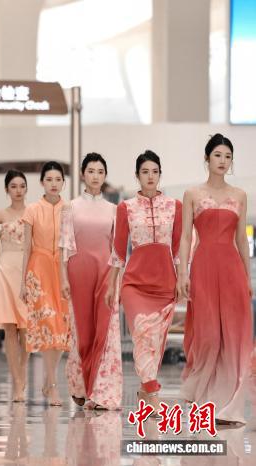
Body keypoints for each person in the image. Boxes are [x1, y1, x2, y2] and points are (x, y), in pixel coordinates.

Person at [178, 134, 253, 425]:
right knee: (208, 336)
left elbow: (242, 240)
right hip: (203, 267)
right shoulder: (192, 194)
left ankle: (228, 407)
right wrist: (182, 273)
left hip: (232, 269)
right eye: (218, 155)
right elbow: (186, 237)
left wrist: (247, 277)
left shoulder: (240, 195)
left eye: (228, 156)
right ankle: (204, 398)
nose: (223, 161)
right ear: (207, 158)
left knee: (233, 336)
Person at [105, 150, 182, 413]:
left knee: (155, 341)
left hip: (165, 283)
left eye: (155, 172)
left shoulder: (175, 206)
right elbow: (118, 251)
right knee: (142, 333)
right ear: (137, 175)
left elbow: (178, 250)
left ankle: (144, 389)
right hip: (135, 284)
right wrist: (112, 285)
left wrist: (182, 279)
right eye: (145, 172)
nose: (150, 176)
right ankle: (152, 390)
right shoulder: (125, 208)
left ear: (160, 174)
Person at [60, 153, 122, 410]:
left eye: (100, 172)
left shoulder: (113, 210)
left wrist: (116, 281)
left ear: (105, 176)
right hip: (78, 272)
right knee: (82, 332)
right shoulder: (70, 207)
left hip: (105, 273)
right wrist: (64, 279)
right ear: (83, 175)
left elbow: (117, 249)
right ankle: (81, 386)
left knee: (105, 331)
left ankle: (103, 391)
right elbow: (65, 246)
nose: (96, 176)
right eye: (91, 171)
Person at [20, 161, 70, 406]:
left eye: (58, 179)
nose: (53, 184)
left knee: (60, 329)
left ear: (63, 183)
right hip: (38, 270)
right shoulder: (32, 210)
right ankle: (53, 385)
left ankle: (49, 381)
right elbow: (25, 248)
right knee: (48, 325)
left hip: (62, 271)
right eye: (49, 179)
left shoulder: (69, 209)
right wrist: (22, 282)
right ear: (42, 182)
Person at [0, 170, 29, 402]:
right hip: (4, 271)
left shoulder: (33, 212)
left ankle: (22, 372)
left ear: (26, 188)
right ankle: (17, 382)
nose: (18, 190)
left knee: (26, 329)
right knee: (10, 328)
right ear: (6, 190)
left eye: (22, 186)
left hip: (27, 272)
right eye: (13, 186)